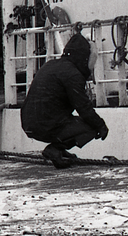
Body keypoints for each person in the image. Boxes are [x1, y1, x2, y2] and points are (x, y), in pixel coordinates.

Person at [20, 32, 108, 168]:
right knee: (91, 127)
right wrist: (101, 125)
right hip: (45, 125)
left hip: (28, 123)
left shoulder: (51, 64)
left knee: (65, 119)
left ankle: (60, 151)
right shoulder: (73, 74)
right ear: (84, 58)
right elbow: (83, 107)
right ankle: (55, 149)